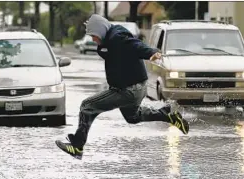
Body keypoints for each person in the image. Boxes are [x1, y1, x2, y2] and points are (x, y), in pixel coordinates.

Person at [55, 14, 189, 160]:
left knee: (87, 106)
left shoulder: (117, 37)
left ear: (100, 30)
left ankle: (77, 146)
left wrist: (151, 53)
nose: (93, 40)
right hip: (137, 87)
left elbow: (136, 45)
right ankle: (168, 116)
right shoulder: (109, 39)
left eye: (94, 36)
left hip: (128, 90)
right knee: (133, 117)